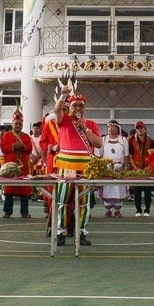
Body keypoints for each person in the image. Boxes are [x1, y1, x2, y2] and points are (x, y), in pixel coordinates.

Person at [52, 86, 103, 245]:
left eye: (81, 105)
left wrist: (85, 129)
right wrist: (63, 95)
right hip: (67, 167)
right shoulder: (63, 120)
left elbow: (99, 144)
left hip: (86, 168)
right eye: (75, 105)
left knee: (84, 203)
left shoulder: (91, 124)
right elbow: (56, 110)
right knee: (63, 201)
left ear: (85, 108)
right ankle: (61, 233)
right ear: (69, 107)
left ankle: (81, 233)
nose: (78, 108)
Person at [0, 109, 33, 219]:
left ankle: (24, 211)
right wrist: (13, 146)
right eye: (16, 124)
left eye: (19, 124)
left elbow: (30, 149)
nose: (18, 125)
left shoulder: (26, 136)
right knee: (9, 189)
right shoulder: (7, 135)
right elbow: (3, 148)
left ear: (22, 125)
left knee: (24, 189)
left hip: (23, 167)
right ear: (12, 124)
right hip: (10, 167)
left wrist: (23, 147)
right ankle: (7, 211)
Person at [99, 121, 129, 217]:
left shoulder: (123, 140)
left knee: (118, 189)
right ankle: (107, 210)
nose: (110, 129)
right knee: (107, 189)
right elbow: (100, 154)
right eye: (109, 127)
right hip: (106, 169)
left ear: (117, 129)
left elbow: (126, 154)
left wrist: (126, 166)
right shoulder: (103, 139)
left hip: (119, 168)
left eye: (113, 127)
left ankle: (117, 209)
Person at [127, 121, 154, 217]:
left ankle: (147, 210)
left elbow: (153, 156)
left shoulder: (150, 141)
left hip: (147, 169)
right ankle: (138, 210)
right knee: (137, 190)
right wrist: (135, 168)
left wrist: (149, 168)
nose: (140, 130)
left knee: (147, 190)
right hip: (136, 169)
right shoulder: (131, 140)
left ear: (145, 129)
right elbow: (130, 157)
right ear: (136, 129)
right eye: (138, 128)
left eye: (141, 128)